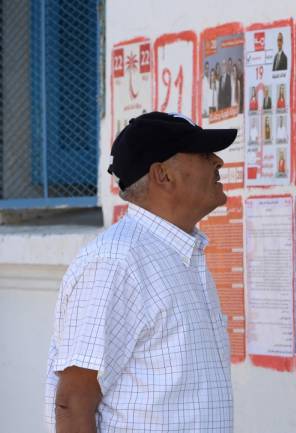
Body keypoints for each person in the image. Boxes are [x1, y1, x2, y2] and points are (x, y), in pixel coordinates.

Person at [47, 112, 237, 433]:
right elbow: (73, 403)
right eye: (204, 155)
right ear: (162, 175)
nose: (218, 162)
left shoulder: (180, 253)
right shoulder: (116, 261)